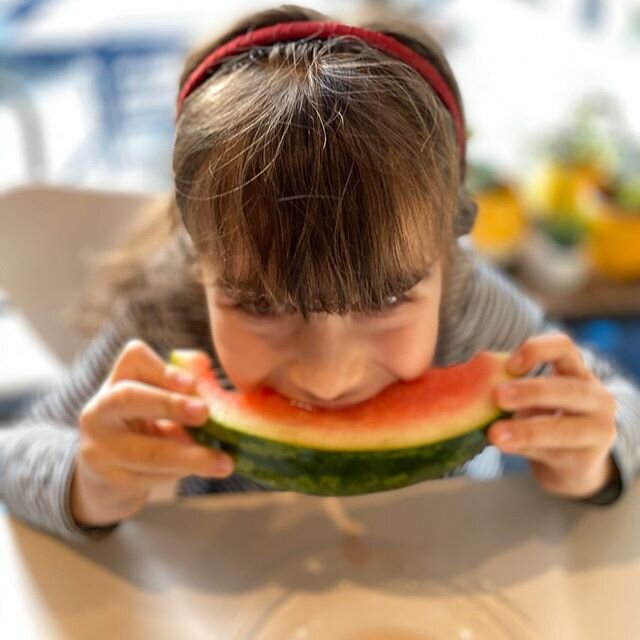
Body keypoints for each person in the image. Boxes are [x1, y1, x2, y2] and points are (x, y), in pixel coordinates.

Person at [1, 5, 638, 544]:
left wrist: (597, 458)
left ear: (445, 260)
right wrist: (87, 479)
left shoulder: (468, 308)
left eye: (387, 298)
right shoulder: (170, 313)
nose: (327, 376)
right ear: (200, 262)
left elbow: (621, 405)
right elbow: (16, 453)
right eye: (259, 305)